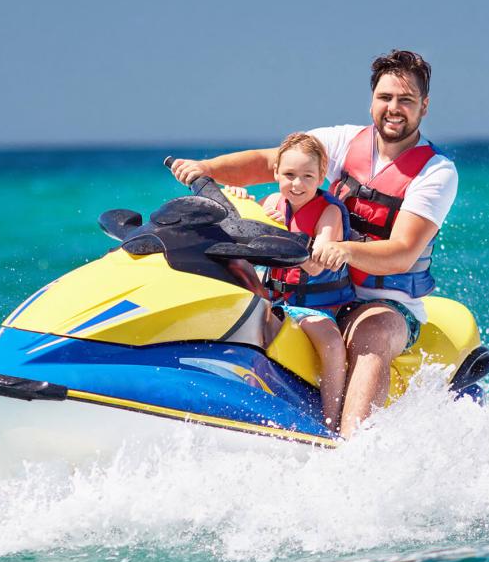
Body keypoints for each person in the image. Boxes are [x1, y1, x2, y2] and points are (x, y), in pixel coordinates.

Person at [171, 50, 457, 437]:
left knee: (371, 333)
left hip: (383, 303)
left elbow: (404, 251)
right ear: (372, 100)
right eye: (385, 97)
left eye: (405, 100)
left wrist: (344, 249)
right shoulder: (339, 142)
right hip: (315, 294)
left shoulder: (436, 172)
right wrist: (207, 170)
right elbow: (268, 162)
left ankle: (353, 447)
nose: (394, 108)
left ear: (424, 106)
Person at [224, 132, 355, 430]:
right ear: (275, 173)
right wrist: (239, 200)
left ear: (322, 175)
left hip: (317, 308)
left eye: (308, 176)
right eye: (289, 175)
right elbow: (239, 236)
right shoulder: (270, 201)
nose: (297, 184)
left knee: (333, 345)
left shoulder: (329, 213)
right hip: (275, 299)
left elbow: (317, 266)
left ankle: (332, 423)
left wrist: (278, 230)